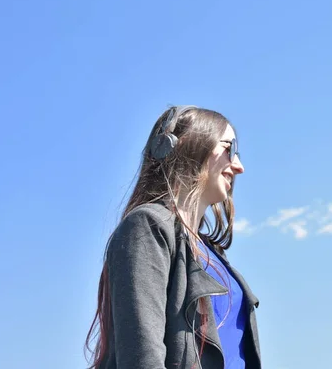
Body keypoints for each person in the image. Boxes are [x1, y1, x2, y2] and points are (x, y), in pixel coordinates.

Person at [85, 106, 261, 369]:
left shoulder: (213, 254)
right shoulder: (148, 226)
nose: (238, 166)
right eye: (229, 148)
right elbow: (142, 358)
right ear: (191, 144)